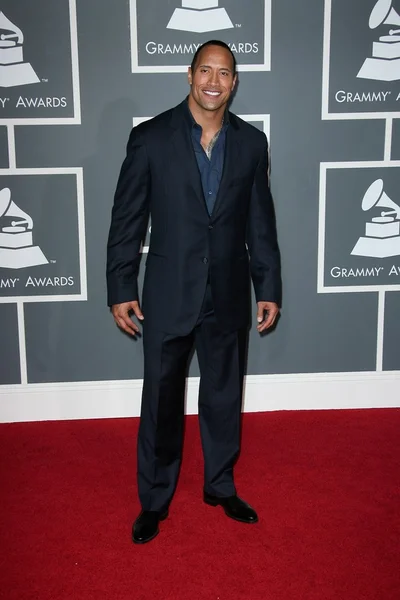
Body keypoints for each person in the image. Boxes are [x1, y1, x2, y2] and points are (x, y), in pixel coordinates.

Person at [106, 40, 281, 544]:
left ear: (234, 82)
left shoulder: (252, 143)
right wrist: (121, 285)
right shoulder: (150, 138)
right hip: (167, 292)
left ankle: (220, 485)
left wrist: (267, 285)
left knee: (224, 396)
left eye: (224, 73)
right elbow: (127, 221)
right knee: (161, 400)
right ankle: (154, 500)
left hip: (226, 293)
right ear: (189, 75)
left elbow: (260, 223)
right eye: (205, 70)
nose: (213, 81)